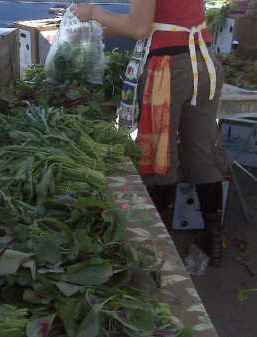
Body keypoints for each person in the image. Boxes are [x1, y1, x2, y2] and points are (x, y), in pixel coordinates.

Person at [71, 0, 226, 266]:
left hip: (169, 68)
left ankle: (156, 244)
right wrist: (99, 27)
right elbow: (156, 21)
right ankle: (213, 240)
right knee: (201, 151)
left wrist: (94, 11)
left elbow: (140, 28)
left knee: (158, 153)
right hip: (204, 62)